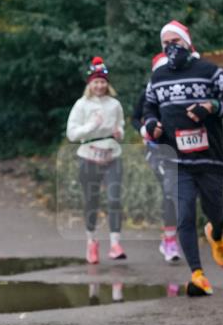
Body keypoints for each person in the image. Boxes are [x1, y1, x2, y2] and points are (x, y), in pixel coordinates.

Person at [143, 20, 223, 296]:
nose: (170, 48)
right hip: (176, 160)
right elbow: (148, 107)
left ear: (187, 43)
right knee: (185, 215)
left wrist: (211, 106)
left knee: (215, 213)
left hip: (209, 158)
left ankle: (217, 233)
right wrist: (151, 124)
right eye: (165, 44)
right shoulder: (158, 77)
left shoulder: (209, 71)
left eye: (175, 42)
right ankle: (198, 275)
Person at [66, 57, 126, 264]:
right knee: (92, 201)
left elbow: (121, 126)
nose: (99, 85)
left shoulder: (115, 104)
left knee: (114, 199)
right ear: (89, 84)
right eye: (96, 82)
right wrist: (91, 126)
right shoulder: (81, 105)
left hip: (112, 156)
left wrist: (120, 133)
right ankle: (91, 242)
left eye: (102, 82)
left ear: (107, 84)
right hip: (88, 157)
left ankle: (115, 244)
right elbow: (72, 134)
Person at [131, 52, 182, 263]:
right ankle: (170, 240)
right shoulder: (148, 93)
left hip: (182, 150)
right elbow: (134, 118)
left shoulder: (180, 91)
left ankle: (173, 236)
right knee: (169, 192)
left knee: (182, 193)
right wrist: (145, 129)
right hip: (157, 150)